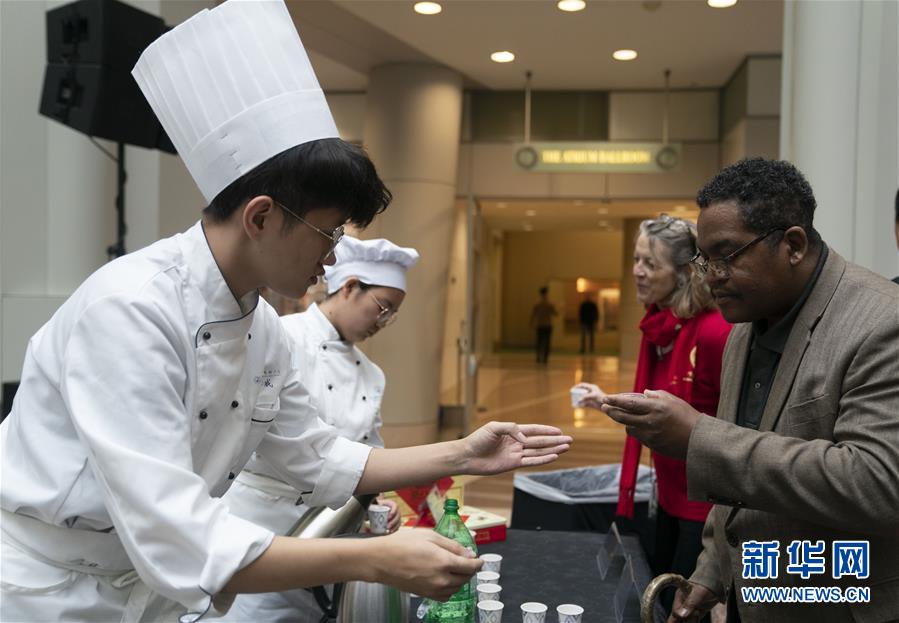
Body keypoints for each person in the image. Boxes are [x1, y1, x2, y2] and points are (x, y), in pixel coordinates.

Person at [0, 3, 573, 622]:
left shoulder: (261, 329)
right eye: (327, 234)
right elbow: (180, 533)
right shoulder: (131, 311)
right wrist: (376, 558)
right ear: (261, 216)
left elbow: (319, 455)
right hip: (49, 592)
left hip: (151, 595)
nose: (332, 260)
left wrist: (463, 453)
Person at [597, 158, 899, 623]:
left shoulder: (881, 322)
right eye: (703, 258)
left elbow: (877, 482)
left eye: (727, 255)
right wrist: (713, 570)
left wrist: (698, 436)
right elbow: (740, 487)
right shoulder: (745, 324)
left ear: (793, 245)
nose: (710, 274)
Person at [222, 235, 418, 622]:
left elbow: (366, 458)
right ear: (348, 287)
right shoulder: (281, 336)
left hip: (330, 536)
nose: (384, 322)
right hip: (260, 524)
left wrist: (376, 504)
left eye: (392, 314)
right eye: (382, 308)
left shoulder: (371, 374)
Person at [577, 215, 730, 615]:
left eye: (649, 263)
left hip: (703, 504)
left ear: (683, 273)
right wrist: (609, 401)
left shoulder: (714, 332)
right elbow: (660, 404)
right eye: (635, 259)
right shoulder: (660, 327)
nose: (636, 272)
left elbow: (731, 424)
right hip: (666, 493)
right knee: (657, 600)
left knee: (683, 606)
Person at [531, 286, 558, 364]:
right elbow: (555, 314)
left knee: (539, 341)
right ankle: (545, 357)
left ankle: (539, 356)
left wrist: (532, 322)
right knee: (547, 342)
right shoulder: (549, 303)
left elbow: (533, 314)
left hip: (540, 325)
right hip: (547, 325)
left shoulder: (537, 304)